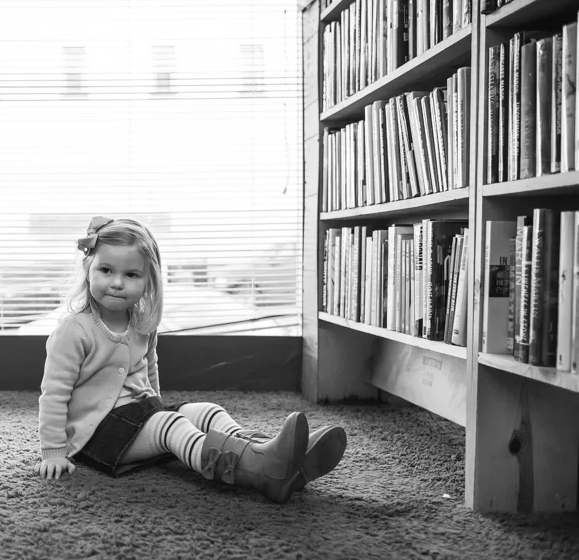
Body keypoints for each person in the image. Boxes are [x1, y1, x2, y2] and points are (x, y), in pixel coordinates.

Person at [36, 215, 347, 503]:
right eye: (106, 270)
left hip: (137, 415)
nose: (117, 282)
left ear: (148, 281)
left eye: (131, 274)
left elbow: (150, 371)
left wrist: (156, 408)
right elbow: (54, 394)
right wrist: (53, 452)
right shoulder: (74, 331)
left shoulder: (142, 324)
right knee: (172, 425)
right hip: (95, 435)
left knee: (207, 410)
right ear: (88, 268)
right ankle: (261, 471)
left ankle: (265, 452)